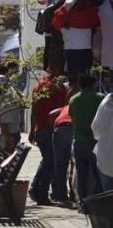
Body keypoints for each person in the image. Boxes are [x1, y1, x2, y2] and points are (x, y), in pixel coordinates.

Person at [29, 74, 68, 205]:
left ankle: (36, 188)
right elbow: (62, 109)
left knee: (47, 160)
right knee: (49, 163)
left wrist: (31, 129)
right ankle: (41, 194)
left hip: (40, 130)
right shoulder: (60, 88)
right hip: (52, 129)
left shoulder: (38, 86)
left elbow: (34, 109)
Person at [69, 75, 104, 211]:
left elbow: (73, 122)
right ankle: (99, 204)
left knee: (81, 174)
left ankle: (82, 204)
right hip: (95, 141)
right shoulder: (100, 97)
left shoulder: (74, 99)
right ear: (93, 84)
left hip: (79, 141)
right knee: (98, 175)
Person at [49, 104, 74, 208]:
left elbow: (51, 113)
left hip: (60, 129)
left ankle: (62, 197)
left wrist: (53, 127)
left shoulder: (65, 107)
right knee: (75, 165)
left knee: (60, 165)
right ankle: (74, 195)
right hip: (73, 129)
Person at [92, 92, 113, 191]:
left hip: (105, 159)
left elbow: (95, 128)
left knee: (108, 198)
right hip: (105, 158)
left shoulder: (106, 103)